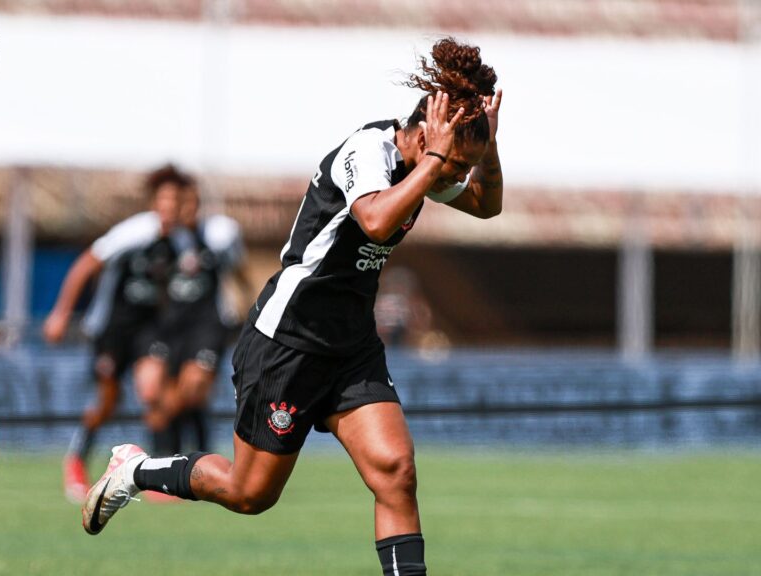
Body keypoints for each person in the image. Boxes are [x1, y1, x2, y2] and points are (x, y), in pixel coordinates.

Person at [81, 37, 504, 576]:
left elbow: (486, 207)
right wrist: (438, 163)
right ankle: (136, 468)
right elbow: (373, 219)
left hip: (350, 347)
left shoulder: (430, 164)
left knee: (395, 471)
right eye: (451, 165)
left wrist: (485, 152)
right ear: (425, 134)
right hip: (287, 340)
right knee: (249, 493)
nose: (452, 178)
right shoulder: (368, 152)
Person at [42, 165, 185, 502]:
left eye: (177, 200)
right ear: (154, 202)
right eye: (165, 199)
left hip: (146, 330)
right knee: (107, 402)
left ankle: (160, 477)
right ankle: (76, 460)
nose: (171, 206)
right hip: (110, 329)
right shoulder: (133, 233)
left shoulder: (179, 241)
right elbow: (85, 265)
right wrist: (61, 314)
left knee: (153, 392)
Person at [146, 181, 252, 455]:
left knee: (192, 388)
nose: (188, 209)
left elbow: (240, 273)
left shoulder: (217, 238)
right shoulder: (160, 242)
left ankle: (166, 441)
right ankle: (182, 458)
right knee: (183, 396)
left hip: (208, 326)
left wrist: (250, 306)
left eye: (193, 203)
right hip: (172, 329)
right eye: (182, 203)